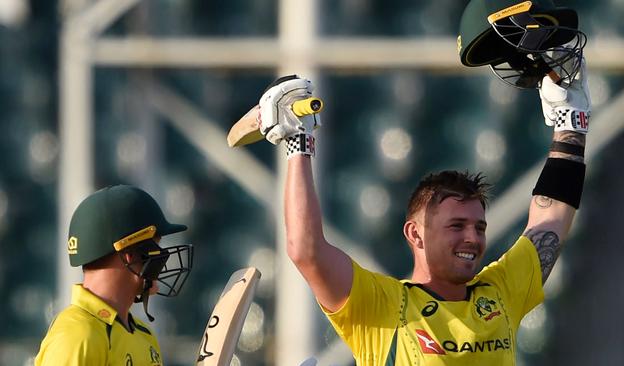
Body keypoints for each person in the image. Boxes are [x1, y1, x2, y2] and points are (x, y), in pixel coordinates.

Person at [256, 58, 590, 364]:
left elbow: (552, 214)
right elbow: (306, 250)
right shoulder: (383, 307)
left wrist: (570, 121)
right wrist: (298, 145)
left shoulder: (501, 293)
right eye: (456, 226)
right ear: (415, 233)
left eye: (480, 227)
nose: (472, 238)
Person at [35, 185, 194, 365]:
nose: (164, 258)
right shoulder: (78, 336)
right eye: (157, 246)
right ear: (130, 255)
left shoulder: (144, 334)